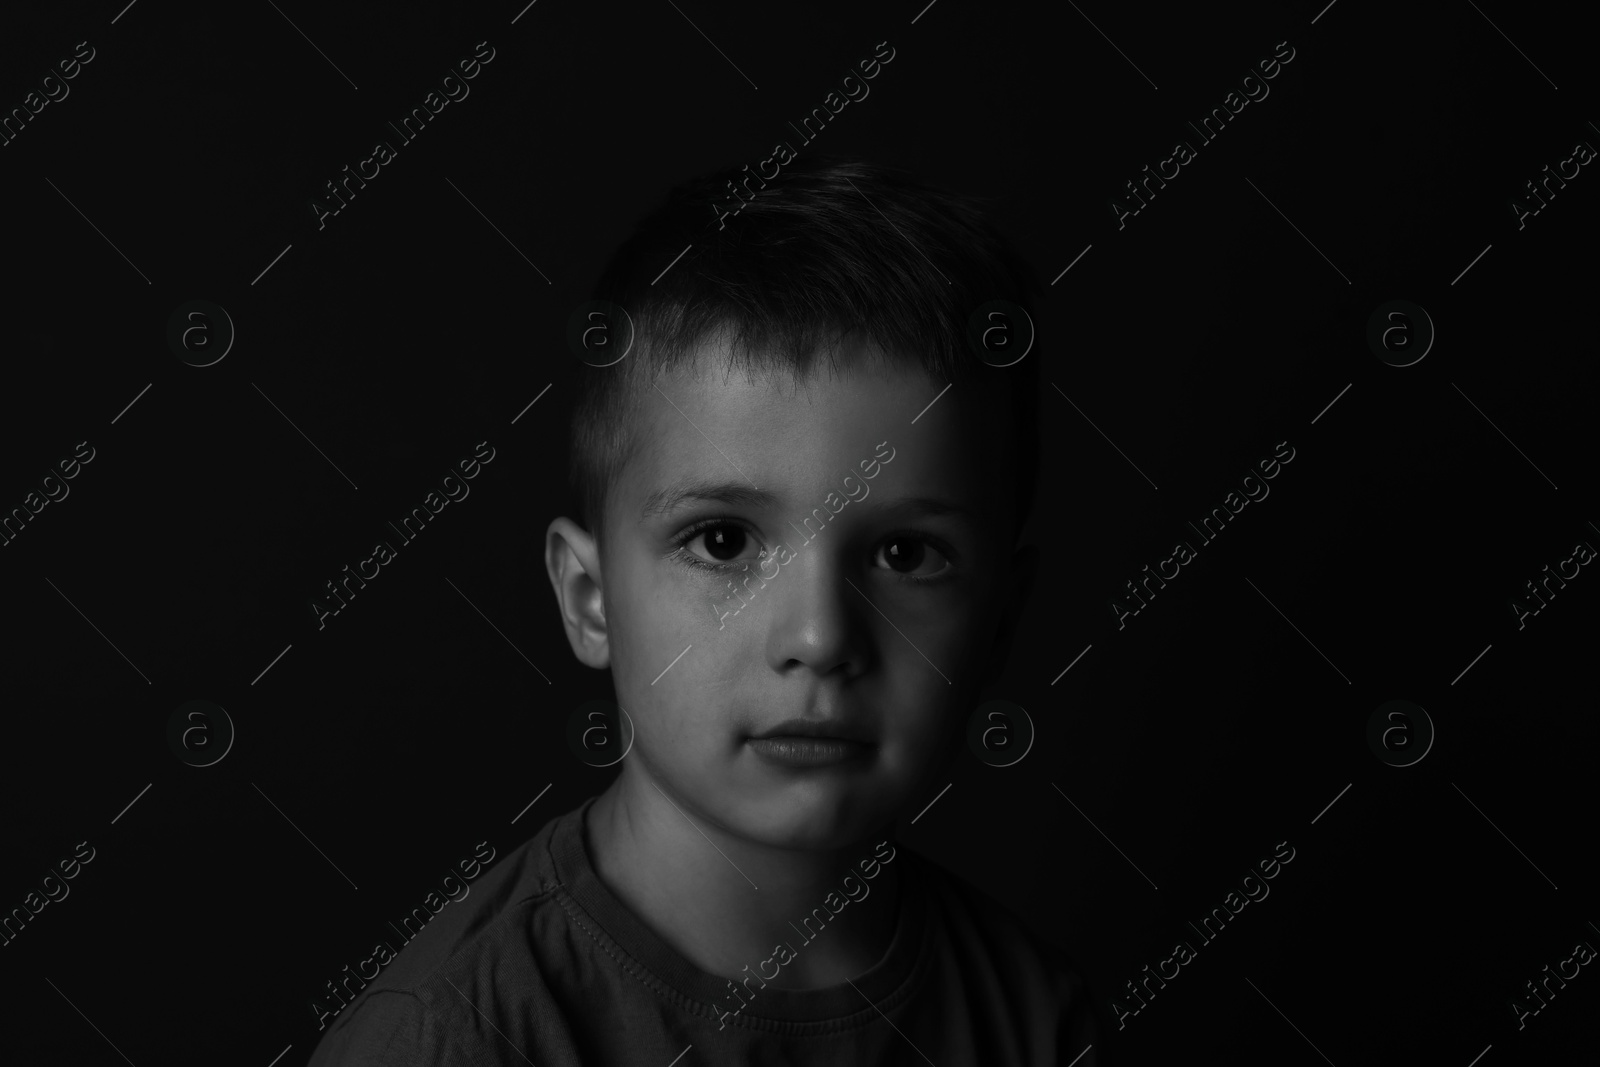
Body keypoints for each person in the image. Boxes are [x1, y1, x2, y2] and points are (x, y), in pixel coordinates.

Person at [305, 157, 1098, 1066]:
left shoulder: (1034, 1021)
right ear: (591, 599)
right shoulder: (454, 1039)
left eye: (903, 553)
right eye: (723, 542)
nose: (819, 638)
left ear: (1001, 618)